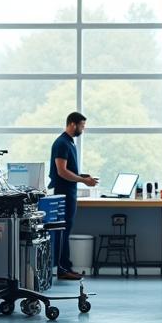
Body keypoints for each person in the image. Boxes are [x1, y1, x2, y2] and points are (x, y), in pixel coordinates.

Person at [49, 112, 98, 280]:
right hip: (63, 193)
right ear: (72, 124)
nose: (83, 129)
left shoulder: (70, 143)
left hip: (69, 192)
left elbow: (69, 169)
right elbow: (61, 171)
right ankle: (62, 269)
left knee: (66, 229)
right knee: (63, 231)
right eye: (82, 126)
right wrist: (83, 181)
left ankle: (65, 266)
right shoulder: (61, 143)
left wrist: (84, 177)